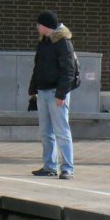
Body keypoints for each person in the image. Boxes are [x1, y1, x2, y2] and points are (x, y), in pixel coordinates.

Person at [27, 10, 76, 179]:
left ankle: (67, 168)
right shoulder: (44, 42)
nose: (37, 27)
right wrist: (33, 90)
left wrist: (61, 94)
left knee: (62, 131)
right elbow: (38, 67)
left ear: (46, 25)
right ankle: (49, 166)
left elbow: (68, 71)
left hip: (56, 93)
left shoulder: (62, 42)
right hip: (43, 91)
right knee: (46, 132)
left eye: (39, 24)